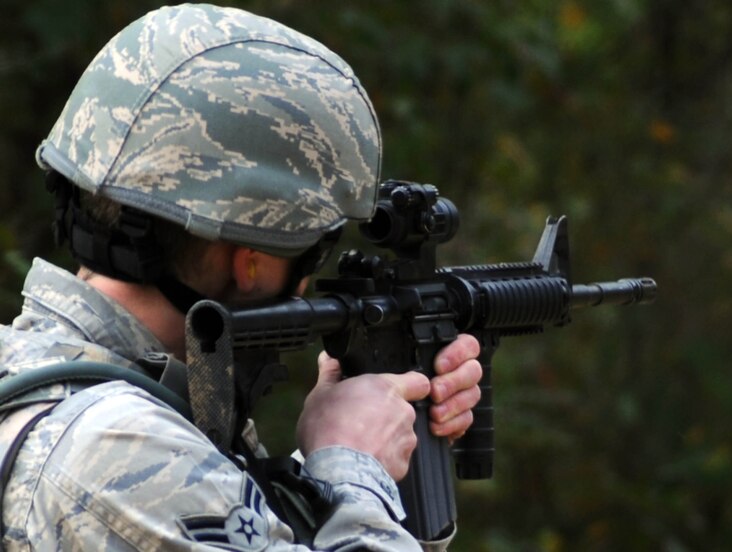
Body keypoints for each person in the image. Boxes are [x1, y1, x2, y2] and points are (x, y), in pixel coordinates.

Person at [0, 4, 481, 551]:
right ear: (251, 262)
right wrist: (356, 468)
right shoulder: (117, 451)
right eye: (311, 252)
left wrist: (336, 466)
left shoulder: (70, 397)